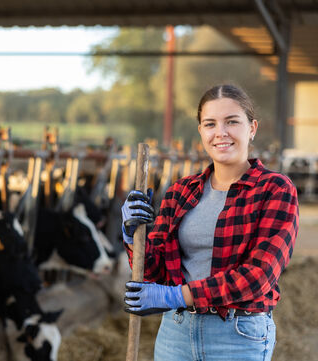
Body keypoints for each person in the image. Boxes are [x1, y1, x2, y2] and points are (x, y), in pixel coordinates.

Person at [121, 84, 299, 361]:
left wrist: (175, 296)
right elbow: (155, 273)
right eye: (210, 124)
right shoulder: (181, 191)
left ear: (252, 128)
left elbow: (258, 277)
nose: (221, 133)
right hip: (175, 333)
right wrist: (134, 236)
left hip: (238, 335)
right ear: (201, 131)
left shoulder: (274, 189)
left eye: (232, 122)